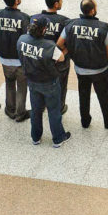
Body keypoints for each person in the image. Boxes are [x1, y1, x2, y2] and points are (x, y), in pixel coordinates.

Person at [58, 0, 108, 129]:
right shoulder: (102, 27)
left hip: (80, 68)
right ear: (93, 10)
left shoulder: (70, 25)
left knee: (83, 94)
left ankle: (85, 121)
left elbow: (59, 43)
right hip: (99, 69)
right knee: (104, 95)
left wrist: (69, 50)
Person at [18, 14, 71, 146]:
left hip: (31, 80)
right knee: (54, 110)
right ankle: (58, 138)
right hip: (49, 82)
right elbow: (61, 59)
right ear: (43, 30)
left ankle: (35, 137)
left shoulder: (21, 39)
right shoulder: (49, 46)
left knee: (36, 110)